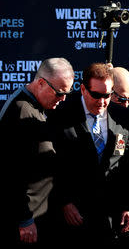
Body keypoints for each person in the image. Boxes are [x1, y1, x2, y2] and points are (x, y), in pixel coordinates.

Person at [50, 63, 129, 246]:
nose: (102, 102)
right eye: (96, 95)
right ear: (82, 89)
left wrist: (128, 206)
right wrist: (64, 201)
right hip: (73, 217)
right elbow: (52, 164)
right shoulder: (61, 114)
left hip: (111, 219)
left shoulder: (122, 118)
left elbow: (127, 165)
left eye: (107, 95)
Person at [0, 58, 74, 247]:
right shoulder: (22, 112)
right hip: (27, 225)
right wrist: (24, 219)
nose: (63, 99)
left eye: (67, 93)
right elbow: (10, 173)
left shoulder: (34, 105)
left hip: (39, 218)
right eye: (59, 93)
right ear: (41, 83)